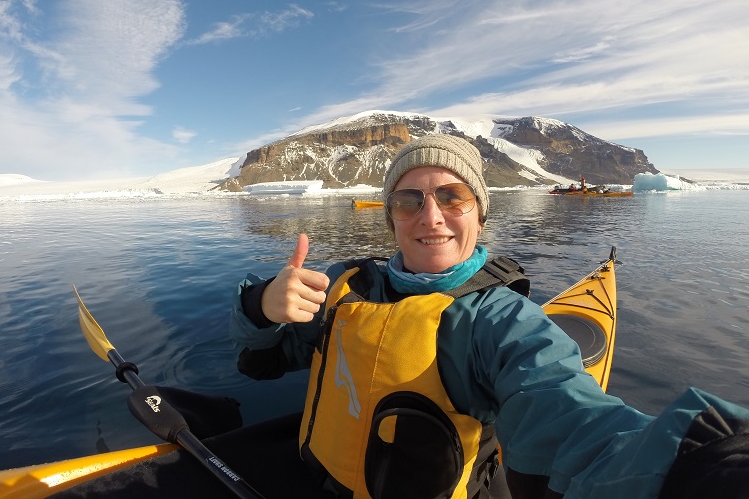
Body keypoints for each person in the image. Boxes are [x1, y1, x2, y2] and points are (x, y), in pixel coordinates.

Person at [230, 134, 749, 499]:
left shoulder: (501, 321)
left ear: (480, 212)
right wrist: (261, 306)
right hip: (311, 477)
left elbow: (570, 423)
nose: (430, 216)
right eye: (409, 201)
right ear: (391, 217)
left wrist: (700, 466)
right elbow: (260, 363)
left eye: (452, 197)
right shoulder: (347, 288)